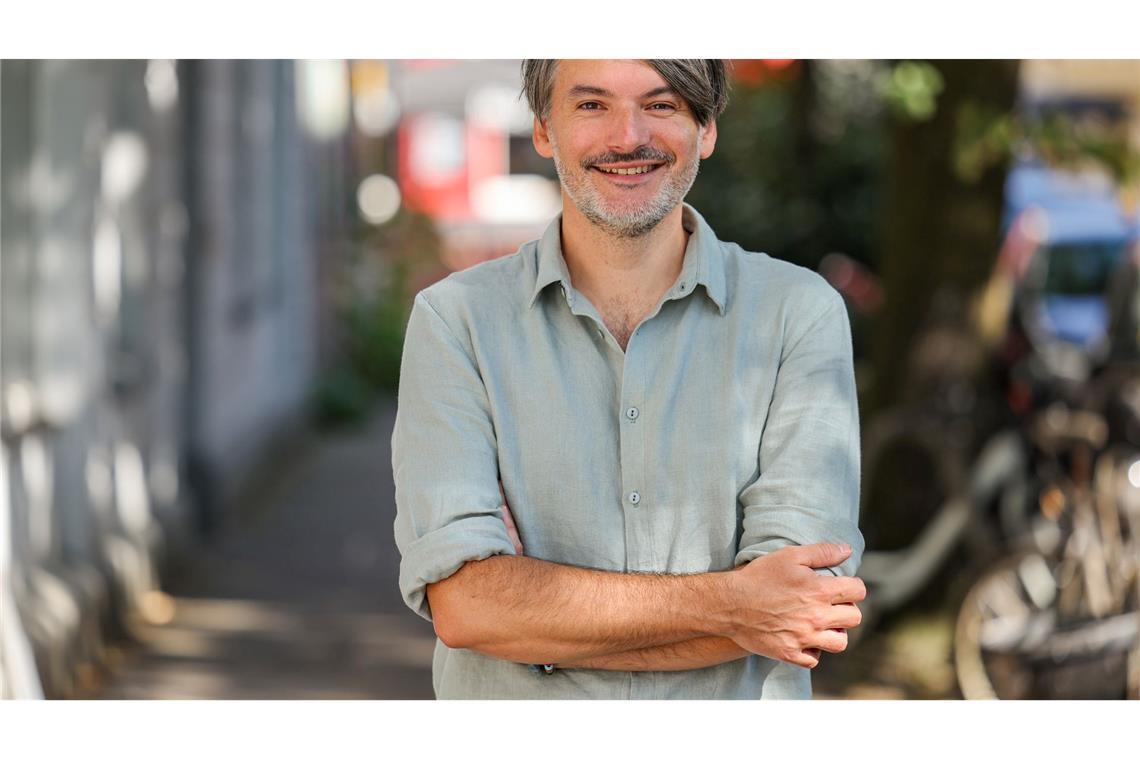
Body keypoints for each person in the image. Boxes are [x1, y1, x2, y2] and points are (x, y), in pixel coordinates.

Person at [392, 59, 866, 699]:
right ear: (542, 128)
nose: (626, 137)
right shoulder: (456, 323)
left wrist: (536, 616)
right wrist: (738, 602)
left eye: (662, 104)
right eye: (591, 105)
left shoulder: (797, 315)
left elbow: (802, 609)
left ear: (706, 129)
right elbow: (469, 608)